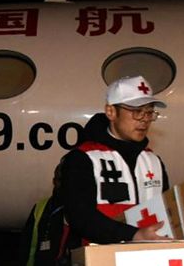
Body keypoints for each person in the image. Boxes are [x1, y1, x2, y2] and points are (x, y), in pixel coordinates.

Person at [60, 75, 169, 244]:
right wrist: (133, 235)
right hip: (100, 261)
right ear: (111, 112)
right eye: (137, 111)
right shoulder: (83, 158)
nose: (145, 120)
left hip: (148, 259)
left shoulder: (153, 161)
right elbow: (79, 217)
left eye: (149, 112)